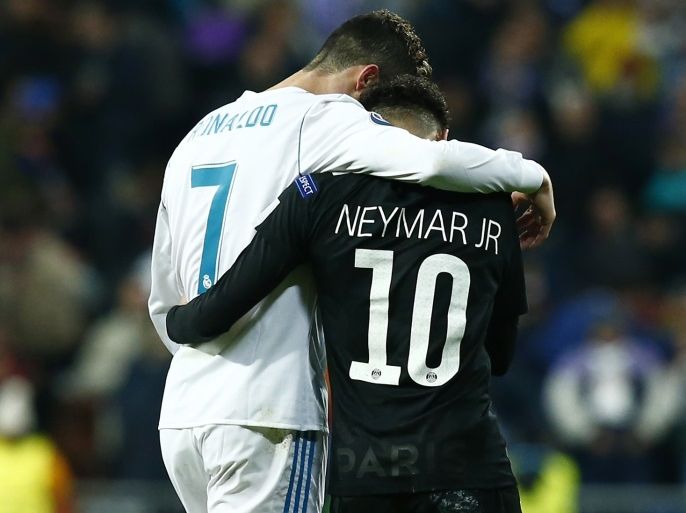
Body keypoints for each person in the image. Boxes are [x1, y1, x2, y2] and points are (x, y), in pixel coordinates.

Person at [149, 10, 555, 513]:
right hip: (269, 411)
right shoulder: (326, 119)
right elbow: (429, 160)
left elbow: (164, 300)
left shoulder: (200, 133)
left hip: (186, 412)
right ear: (366, 81)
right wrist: (532, 175)